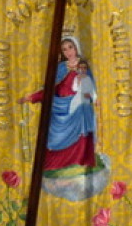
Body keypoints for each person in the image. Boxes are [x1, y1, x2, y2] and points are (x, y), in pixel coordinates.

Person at [19, 36, 100, 177]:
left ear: (76, 47)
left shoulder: (84, 66)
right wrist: (32, 97)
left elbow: (90, 87)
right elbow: (51, 88)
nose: (68, 51)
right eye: (64, 49)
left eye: (70, 47)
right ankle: (55, 165)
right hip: (60, 106)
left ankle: (81, 161)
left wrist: (94, 98)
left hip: (79, 106)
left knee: (83, 109)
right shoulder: (60, 68)